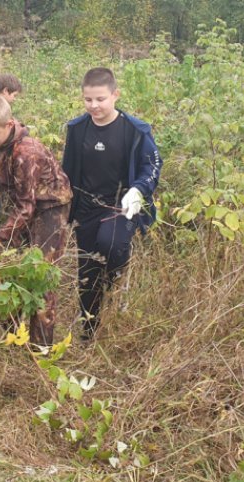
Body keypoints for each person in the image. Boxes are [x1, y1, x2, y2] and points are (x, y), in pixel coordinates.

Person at [61, 67, 163, 341]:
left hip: (121, 207)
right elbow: (67, 172)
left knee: (110, 245)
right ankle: (88, 331)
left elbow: (152, 165)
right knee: (87, 272)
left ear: (115, 95)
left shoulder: (135, 130)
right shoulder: (77, 129)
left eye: (100, 99)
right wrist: (63, 210)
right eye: (88, 100)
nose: (94, 106)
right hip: (86, 210)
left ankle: (114, 285)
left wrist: (138, 190)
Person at [0, 95, 72, 346]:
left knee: (41, 275)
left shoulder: (27, 153)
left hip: (50, 207)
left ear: (9, 124)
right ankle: (12, 338)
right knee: (10, 268)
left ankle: (41, 348)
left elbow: (28, 207)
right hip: (19, 202)